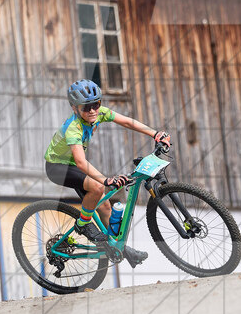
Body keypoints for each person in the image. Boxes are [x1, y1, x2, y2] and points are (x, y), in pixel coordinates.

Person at [45, 79, 170, 267]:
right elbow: (80, 162)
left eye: (96, 104)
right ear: (75, 108)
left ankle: (118, 248)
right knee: (96, 187)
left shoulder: (98, 114)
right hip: (57, 167)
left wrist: (154, 133)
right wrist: (105, 180)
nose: (93, 110)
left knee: (105, 208)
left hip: (72, 164)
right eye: (87, 107)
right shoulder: (74, 128)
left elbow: (127, 122)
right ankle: (83, 224)